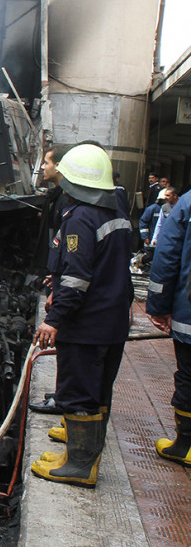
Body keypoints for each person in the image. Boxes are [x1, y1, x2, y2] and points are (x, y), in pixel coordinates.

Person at [30, 143, 134, 487]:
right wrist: (57, 275)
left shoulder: (80, 218)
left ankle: (80, 466)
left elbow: (77, 281)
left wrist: (54, 319)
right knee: (99, 395)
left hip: (86, 326)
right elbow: (105, 267)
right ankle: (80, 457)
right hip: (113, 324)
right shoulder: (116, 213)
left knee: (78, 394)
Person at [146, 188, 191, 468]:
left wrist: (159, 306)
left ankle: (185, 444)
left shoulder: (186, 205)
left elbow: (167, 255)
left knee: (189, 375)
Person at [30, 146, 66, 415]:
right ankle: (63, 394)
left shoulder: (70, 204)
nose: (43, 167)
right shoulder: (59, 198)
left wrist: (59, 288)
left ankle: (65, 400)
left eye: (46, 162)